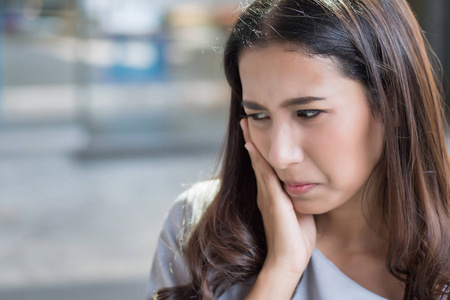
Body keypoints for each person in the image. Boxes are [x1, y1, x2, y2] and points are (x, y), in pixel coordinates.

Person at [148, 0, 450, 299]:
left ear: (392, 105)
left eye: (307, 113)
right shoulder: (198, 228)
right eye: (258, 116)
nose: (280, 155)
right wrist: (280, 272)